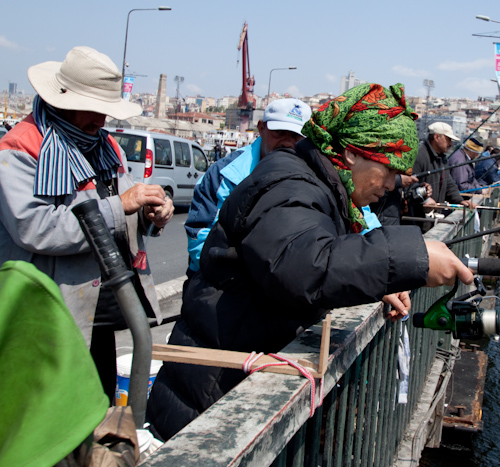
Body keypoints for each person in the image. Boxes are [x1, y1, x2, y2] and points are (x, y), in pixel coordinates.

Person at [147, 83, 474, 440]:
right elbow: (302, 265)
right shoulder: (290, 183)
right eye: (389, 169)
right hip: (210, 402)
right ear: (351, 154)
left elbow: (323, 251)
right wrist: (413, 258)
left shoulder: (320, 185)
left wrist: (379, 283)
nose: (394, 184)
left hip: (234, 384)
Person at [0, 46, 174, 398]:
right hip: (46, 315)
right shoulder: (20, 148)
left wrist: (150, 214)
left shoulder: (107, 145)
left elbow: (127, 210)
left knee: (96, 407)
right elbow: (37, 228)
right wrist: (120, 205)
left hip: (97, 310)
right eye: (95, 109)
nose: (103, 120)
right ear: (64, 101)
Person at [184, 98, 312, 278]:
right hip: (220, 289)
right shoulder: (224, 174)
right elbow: (200, 241)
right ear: (261, 128)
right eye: (280, 132)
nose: (287, 143)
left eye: (296, 137)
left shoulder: (315, 175)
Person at [408, 122, 475, 232]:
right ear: (436, 137)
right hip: (417, 218)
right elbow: (409, 183)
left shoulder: (442, 158)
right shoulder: (420, 154)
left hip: (432, 218)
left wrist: (460, 201)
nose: (451, 144)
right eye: (448, 139)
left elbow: (448, 183)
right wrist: (425, 199)